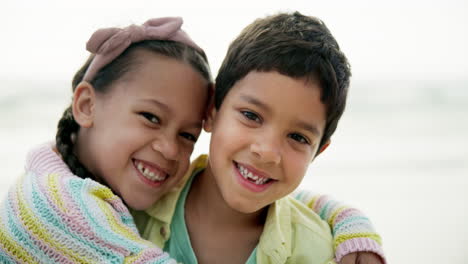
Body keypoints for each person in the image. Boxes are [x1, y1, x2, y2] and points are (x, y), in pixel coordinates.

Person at [132, 12, 385, 264]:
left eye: (298, 137)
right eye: (251, 116)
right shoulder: (131, 210)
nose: (267, 151)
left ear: (317, 152)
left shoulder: (319, 253)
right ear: (211, 109)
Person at [0, 17, 212, 263]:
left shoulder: (58, 183)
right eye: (151, 117)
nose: (170, 149)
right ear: (87, 105)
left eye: (188, 135)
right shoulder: (57, 210)